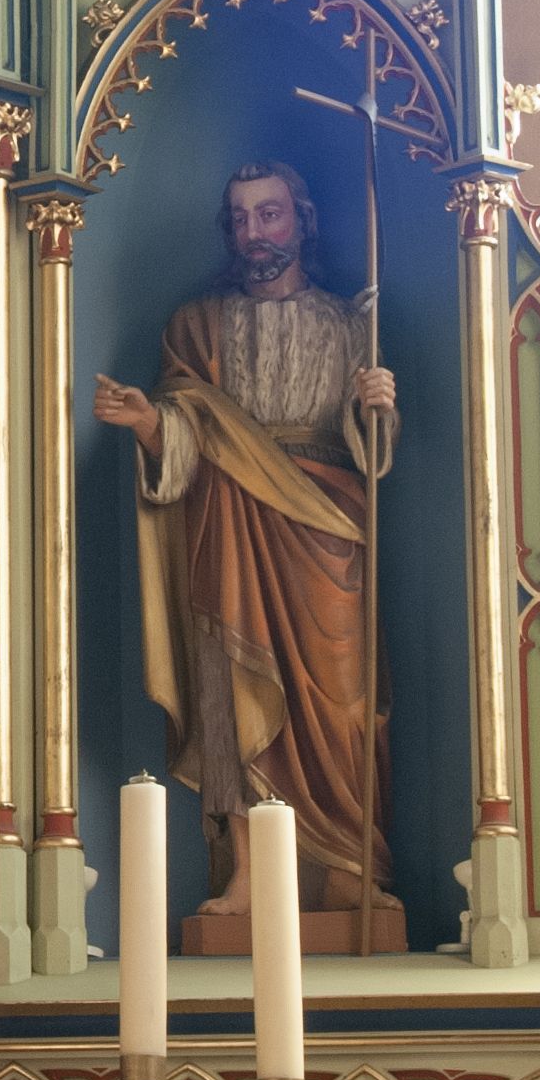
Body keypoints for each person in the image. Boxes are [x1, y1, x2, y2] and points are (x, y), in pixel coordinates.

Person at [92, 161, 397, 921]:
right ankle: (249, 876)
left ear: (301, 220)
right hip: (229, 527)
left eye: (269, 214)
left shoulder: (352, 325)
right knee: (230, 691)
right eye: (240, 218)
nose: (254, 231)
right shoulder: (194, 326)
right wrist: (149, 424)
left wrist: (378, 406)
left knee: (344, 700)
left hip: (327, 529)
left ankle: (350, 867)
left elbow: (371, 451)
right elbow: (186, 428)